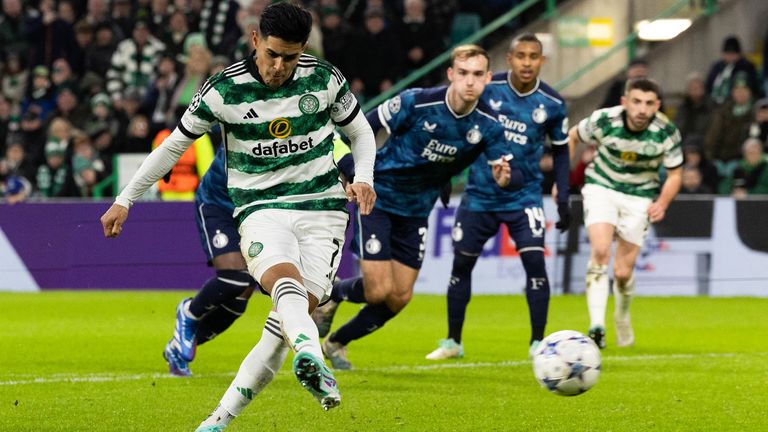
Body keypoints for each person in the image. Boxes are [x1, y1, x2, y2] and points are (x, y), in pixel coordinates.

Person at [99, 3, 377, 428]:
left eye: (291, 56)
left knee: (289, 317)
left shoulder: (323, 78)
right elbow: (174, 146)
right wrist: (125, 198)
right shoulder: (222, 90)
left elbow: (359, 132)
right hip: (259, 207)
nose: (280, 66)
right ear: (254, 41)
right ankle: (311, 356)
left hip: (324, 208)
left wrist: (364, 177)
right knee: (282, 282)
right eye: (272, 54)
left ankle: (217, 421)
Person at [312, 44, 521, 370]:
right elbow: (364, 127)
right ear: (451, 74)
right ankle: (333, 295)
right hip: (379, 198)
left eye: (478, 75)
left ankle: (337, 342)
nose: (470, 81)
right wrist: (351, 170)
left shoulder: (490, 125)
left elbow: (508, 174)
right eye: (463, 73)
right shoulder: (416, 102)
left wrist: (504, 177)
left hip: (418, 211)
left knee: (399, 298)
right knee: (379, 290)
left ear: (488, 78)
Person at [424, 33, 571, 361]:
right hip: (479, 194)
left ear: (542, 61)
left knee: (534, 262)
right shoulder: (487, 89)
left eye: (534, 56)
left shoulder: (553, 104)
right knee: (462, 264)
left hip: (525, 196)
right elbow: (457, 127)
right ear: (510, 58)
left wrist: (563, 197)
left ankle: (537, 343)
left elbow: (561, 153)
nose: (527, 62)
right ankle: (453, 342)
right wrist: (443, 174)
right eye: (521, 55)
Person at [568, 78, 683, 349]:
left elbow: (675, 174)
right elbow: (572, 136)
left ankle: (621, 315)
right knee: (600, 251)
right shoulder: (605, 120)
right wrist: (561, 180)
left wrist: (662, 203)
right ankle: (597, 326)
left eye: (649, 103)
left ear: (657, 106)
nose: (642, 109)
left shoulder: (665, 131)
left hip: (639, 196)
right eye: (636, 102)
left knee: (622, 272)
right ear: (624, 102)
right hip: (602, 186)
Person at [161, 146, 256, 377]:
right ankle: (189, 312)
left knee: (244, 291)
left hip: (252, 207)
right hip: (219, 202)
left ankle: (176, 347)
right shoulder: (244, 115)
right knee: (235, 278)